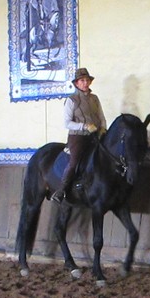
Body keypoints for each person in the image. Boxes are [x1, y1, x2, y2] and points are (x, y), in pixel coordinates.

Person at [51, 68, 107, 203]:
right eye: (82, 80)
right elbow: (67, 123)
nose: (85, 83)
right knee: (74, 161)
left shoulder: (94, 99)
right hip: (78, 136)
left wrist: (103, 129)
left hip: (95, 135)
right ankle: (61, 191)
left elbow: (101, 116)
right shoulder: (71, 100)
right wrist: (84, 126)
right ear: (76, 83)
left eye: (87, 80)